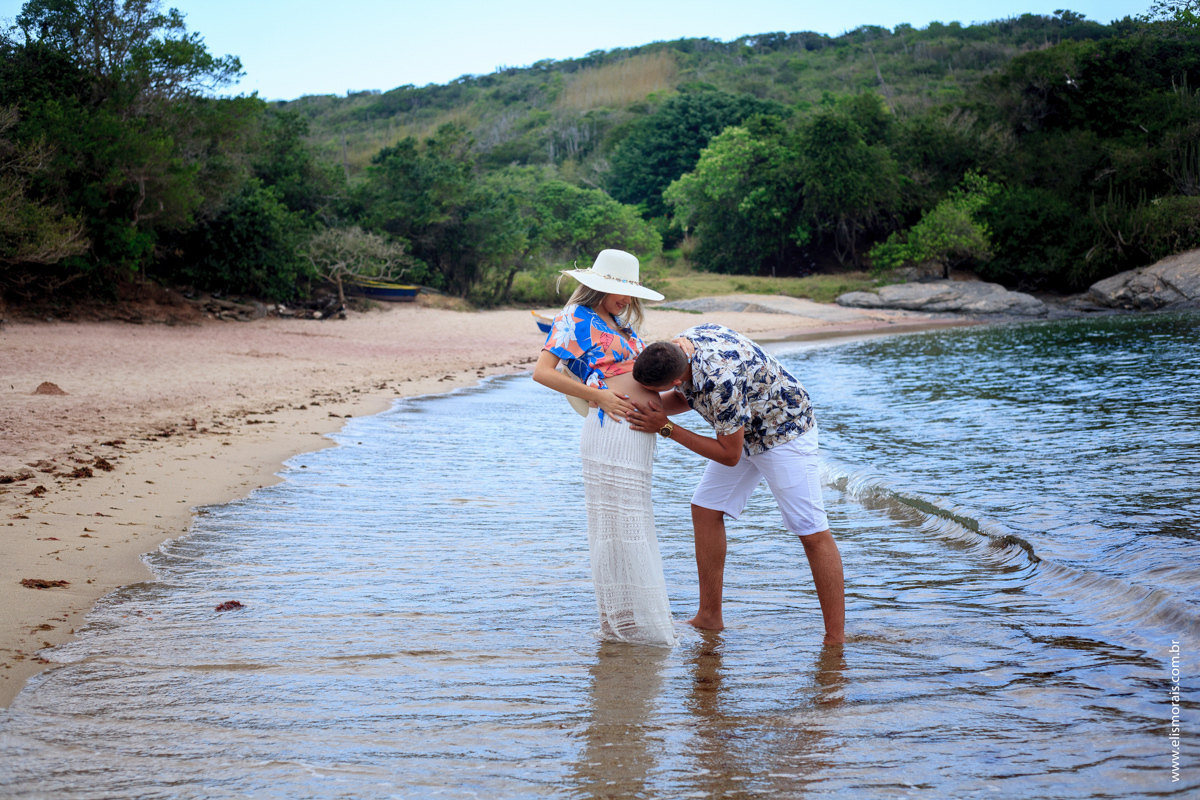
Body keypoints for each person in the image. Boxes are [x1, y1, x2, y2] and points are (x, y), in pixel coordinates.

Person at [627, 324, 846, 645]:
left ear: (675, 379)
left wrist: (666, 428)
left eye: (657, 390)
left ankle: (835, 639)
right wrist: (640, 407)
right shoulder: (682, 346)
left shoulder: (720, 382)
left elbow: (729, 454)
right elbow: (686, 397)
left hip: (784, 431)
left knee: (811, 530)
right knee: (705, 508)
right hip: (742, 426)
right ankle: (709, 617)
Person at [531, 249, 677, 647]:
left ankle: (626, 625)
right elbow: (542, 373)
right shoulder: (573, 318)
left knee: (633, 526)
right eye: (618, 290)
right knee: (615, 530)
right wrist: (600, 396)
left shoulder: (621, 323)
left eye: (629, 292)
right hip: (610, 428)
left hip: (635, 434)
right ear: (596, 286)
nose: (625, 298)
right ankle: (626, 627)